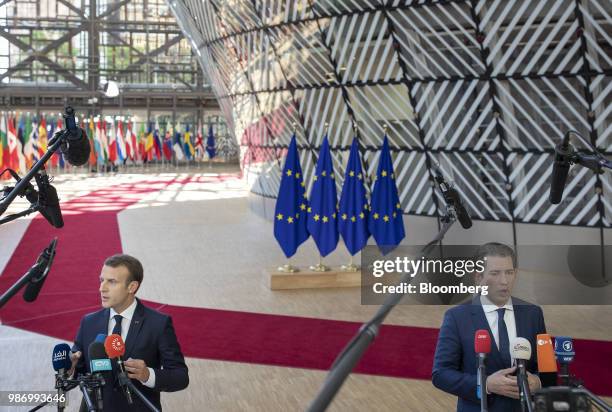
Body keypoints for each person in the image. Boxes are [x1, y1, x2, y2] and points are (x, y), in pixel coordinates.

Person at [432, 243, 545, 411]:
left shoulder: (532, 314)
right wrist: (485, 384)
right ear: (478, 277)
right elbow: (441, 374)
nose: (504, 281)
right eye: (495, 273)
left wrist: (538, 382)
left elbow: (544, 368)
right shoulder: (457, 317)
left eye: (509, 272)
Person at [70, 254, 189, 411]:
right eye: (101, 280)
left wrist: (148, 375)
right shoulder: (89, 322)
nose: (102, 288)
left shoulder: (158, 324)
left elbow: (180, 377)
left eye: (111, 282)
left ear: (132, 287)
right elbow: (79, 371)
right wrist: (70, 367)